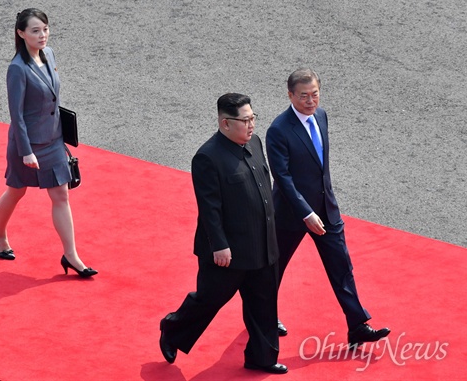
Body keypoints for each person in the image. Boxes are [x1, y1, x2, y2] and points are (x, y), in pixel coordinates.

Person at [159, 93, 287, 374]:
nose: (251, 125)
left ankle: (261, 358)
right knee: (209, 300)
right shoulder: (207, 157)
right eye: (245, 120)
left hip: (262, 244)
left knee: (263, 302)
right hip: (227, 252)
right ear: (225, 123)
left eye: (253, 118)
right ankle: (173, 328)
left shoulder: (254, 142)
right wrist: (219, 245)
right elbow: (209, 208)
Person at [265, 68, 390, 348]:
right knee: (274, 269)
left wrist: (324, 205)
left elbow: (321, 168)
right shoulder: (278, 130)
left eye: (315, 94)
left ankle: (357, 325)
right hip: (290, 214)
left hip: (327, 209)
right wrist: (306, 213)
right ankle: (263, 317)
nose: (311, 101)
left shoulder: (321, 117)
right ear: (290, 95)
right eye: (304, 96)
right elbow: (282, 178)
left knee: (341, 266)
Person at [0, 8, 97, 277]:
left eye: (45, 29)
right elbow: (16, 115)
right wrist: (26, 151)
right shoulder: (17, 69)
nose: (42, 35)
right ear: (21, 34)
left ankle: (71, 255)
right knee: (17, 190)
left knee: (61, 194)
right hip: (28, 144)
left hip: (53, 138)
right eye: (35, 31)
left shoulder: (49, 54)